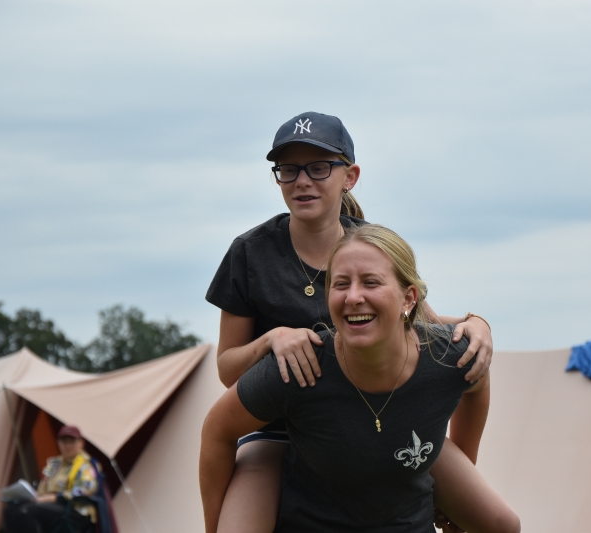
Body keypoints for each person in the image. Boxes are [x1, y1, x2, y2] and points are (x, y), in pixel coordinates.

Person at [205, 111, 495, 531]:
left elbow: (417, 320)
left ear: (350, 176)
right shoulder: (250, 252)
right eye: (288, 170)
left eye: (318, 167)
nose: (302, 181)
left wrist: (476, 322)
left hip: (373, 422)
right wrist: (271, 340)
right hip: (275, 430)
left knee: (500, 521)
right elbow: (227, 370)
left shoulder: (369, 246)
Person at [201, 224, 519, 532]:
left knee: (506, 525)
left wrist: (463, 467)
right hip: (284, 460)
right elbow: (217, 427)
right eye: (341, 284)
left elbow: (477, 381)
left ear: (409, 298)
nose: (353, 297)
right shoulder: (300, 365)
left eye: (370, 282)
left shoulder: (449, 355)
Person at [0, 425, 98, 533]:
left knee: (27, 511)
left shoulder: (86, 465)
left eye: (72, 441)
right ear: (58, 443)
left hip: (74, 508)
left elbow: (83, 491)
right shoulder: (54, 462)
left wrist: (54, 497)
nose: (67, 445)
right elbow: (44, 484)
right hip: (48, 503)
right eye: (64, 441)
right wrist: (35, 495)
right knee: (10, 510)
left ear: (81, 443)